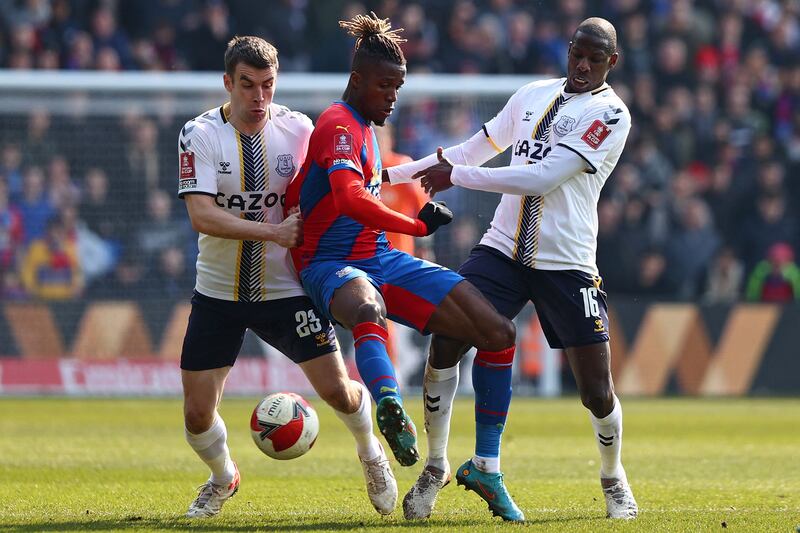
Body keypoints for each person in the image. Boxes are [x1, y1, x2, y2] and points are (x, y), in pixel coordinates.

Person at [386, 17, 639, 521]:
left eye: (595, 58)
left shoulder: (610, 114)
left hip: (565, 261)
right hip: (502, 249)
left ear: (613, 63)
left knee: (595, 390)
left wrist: (456, 176)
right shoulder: (530, 95)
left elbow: (543, 176)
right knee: (446, 343)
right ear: (568, 51)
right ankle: (435, 466)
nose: (583, 65)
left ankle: (613, 476)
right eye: (577, 54)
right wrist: (380, 178)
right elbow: (467, 150)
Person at [285, 13, 522, 521]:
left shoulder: (368, 129)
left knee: (498, 333)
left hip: (380, 257)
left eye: (398, 86)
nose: (393, 96)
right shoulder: (338, 124)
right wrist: (414, 225)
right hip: (328, 262)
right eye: (384, 85)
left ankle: (486, 464)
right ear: (356, 81)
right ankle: (390, 404)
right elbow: (348, 198)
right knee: (365, 306)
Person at [177, 35, 397, 520]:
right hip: (218, 291)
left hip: (285, 288)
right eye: (248, 86)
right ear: (227, 83)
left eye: (268, 86)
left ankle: (371, 454)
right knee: (196, 416)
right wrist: (272, 232)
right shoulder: (199, 134)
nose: (259, 98)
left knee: (338, 389)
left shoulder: (300, 129)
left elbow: (339, 184)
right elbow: (202, 215)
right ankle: (222, 477)